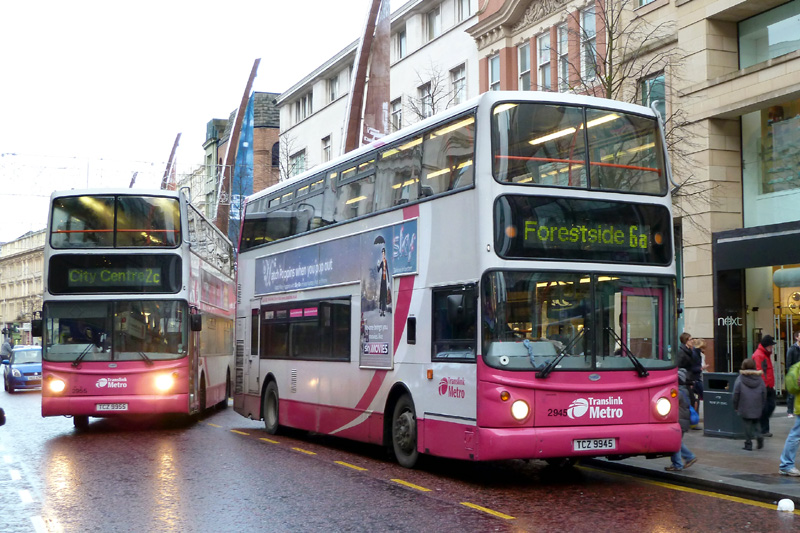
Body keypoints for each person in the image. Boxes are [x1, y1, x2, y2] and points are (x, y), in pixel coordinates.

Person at [665, 368, 698, 471]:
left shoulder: (677, 392)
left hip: (680, 421)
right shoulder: (685, 390)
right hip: (684, 421)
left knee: (674, 442)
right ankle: (684, 460)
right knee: (677, 442)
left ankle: (681, 462)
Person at [733, 358, 766, 451]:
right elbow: (764, 391)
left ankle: (748, 444)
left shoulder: (740, 378)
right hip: (757, 403)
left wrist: (735, 406)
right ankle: (759, 436)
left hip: (744, 404)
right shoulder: (759, 378)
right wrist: (762, 404)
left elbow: (736, 393)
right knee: (756, 421)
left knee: (747, 424)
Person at [752, 335, 777, 437]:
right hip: (764, 386)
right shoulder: (759, 355)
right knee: (766, 408)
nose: (772, 347)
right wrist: (764, 385)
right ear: (766, 346)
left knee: (769, 407)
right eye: (771, 345)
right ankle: (763, 429)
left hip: (768, 386)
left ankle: (764, 429)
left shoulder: (765, 354)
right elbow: (760, 371)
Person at [779, 359, 800, 476]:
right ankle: (786, 465)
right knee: (796, 435)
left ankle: (786, 464)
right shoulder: (798, 368)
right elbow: (793, 387)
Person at [677, 332, 699, 412]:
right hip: (684, 381)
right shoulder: (682, 352)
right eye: (690, 339)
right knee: (690, 400)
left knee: (692, 399)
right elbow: (679, 367)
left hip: (688, 380)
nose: (692, 341)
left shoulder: (688, 351)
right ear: (685, 341)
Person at [787, 331, 800, 417]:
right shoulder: (792, 348)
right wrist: (791, 373)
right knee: (791, 394)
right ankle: (790, 411)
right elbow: (789, 362)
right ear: (796, 337)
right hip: (795, 372)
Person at [376, 248, 389, 317]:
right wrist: (377, 265)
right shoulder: (382, 262)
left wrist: (389, 281)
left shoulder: (386, 262)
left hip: (385, 280)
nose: (383, 254)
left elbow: (387, 271)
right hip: (382, 280)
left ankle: (383, 311)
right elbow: (378, 270)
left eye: (384, 253)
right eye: (382, 253)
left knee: (384, 296)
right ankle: (381, 311)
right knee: (382, 295)